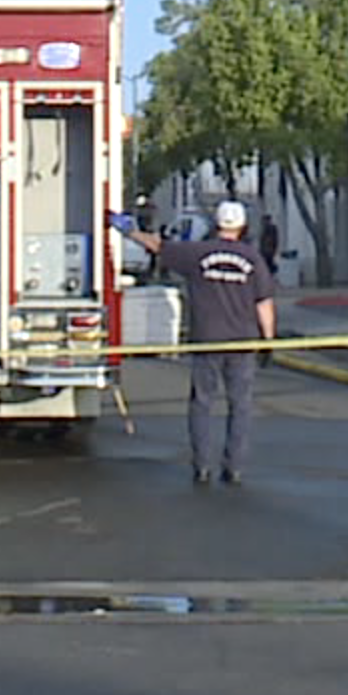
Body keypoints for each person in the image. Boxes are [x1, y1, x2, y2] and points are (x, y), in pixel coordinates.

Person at [114, 200, 277, 486]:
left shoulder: (197, 253)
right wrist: (268, 341)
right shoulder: (253, 260)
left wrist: (128, 231)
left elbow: (158, 246)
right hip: (242, 343)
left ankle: (202, 466)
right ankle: (234, 467)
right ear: (242, 227)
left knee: (202, 403)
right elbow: (264, 303)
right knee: (240, 405)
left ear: (216, 225)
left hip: (206, 339)